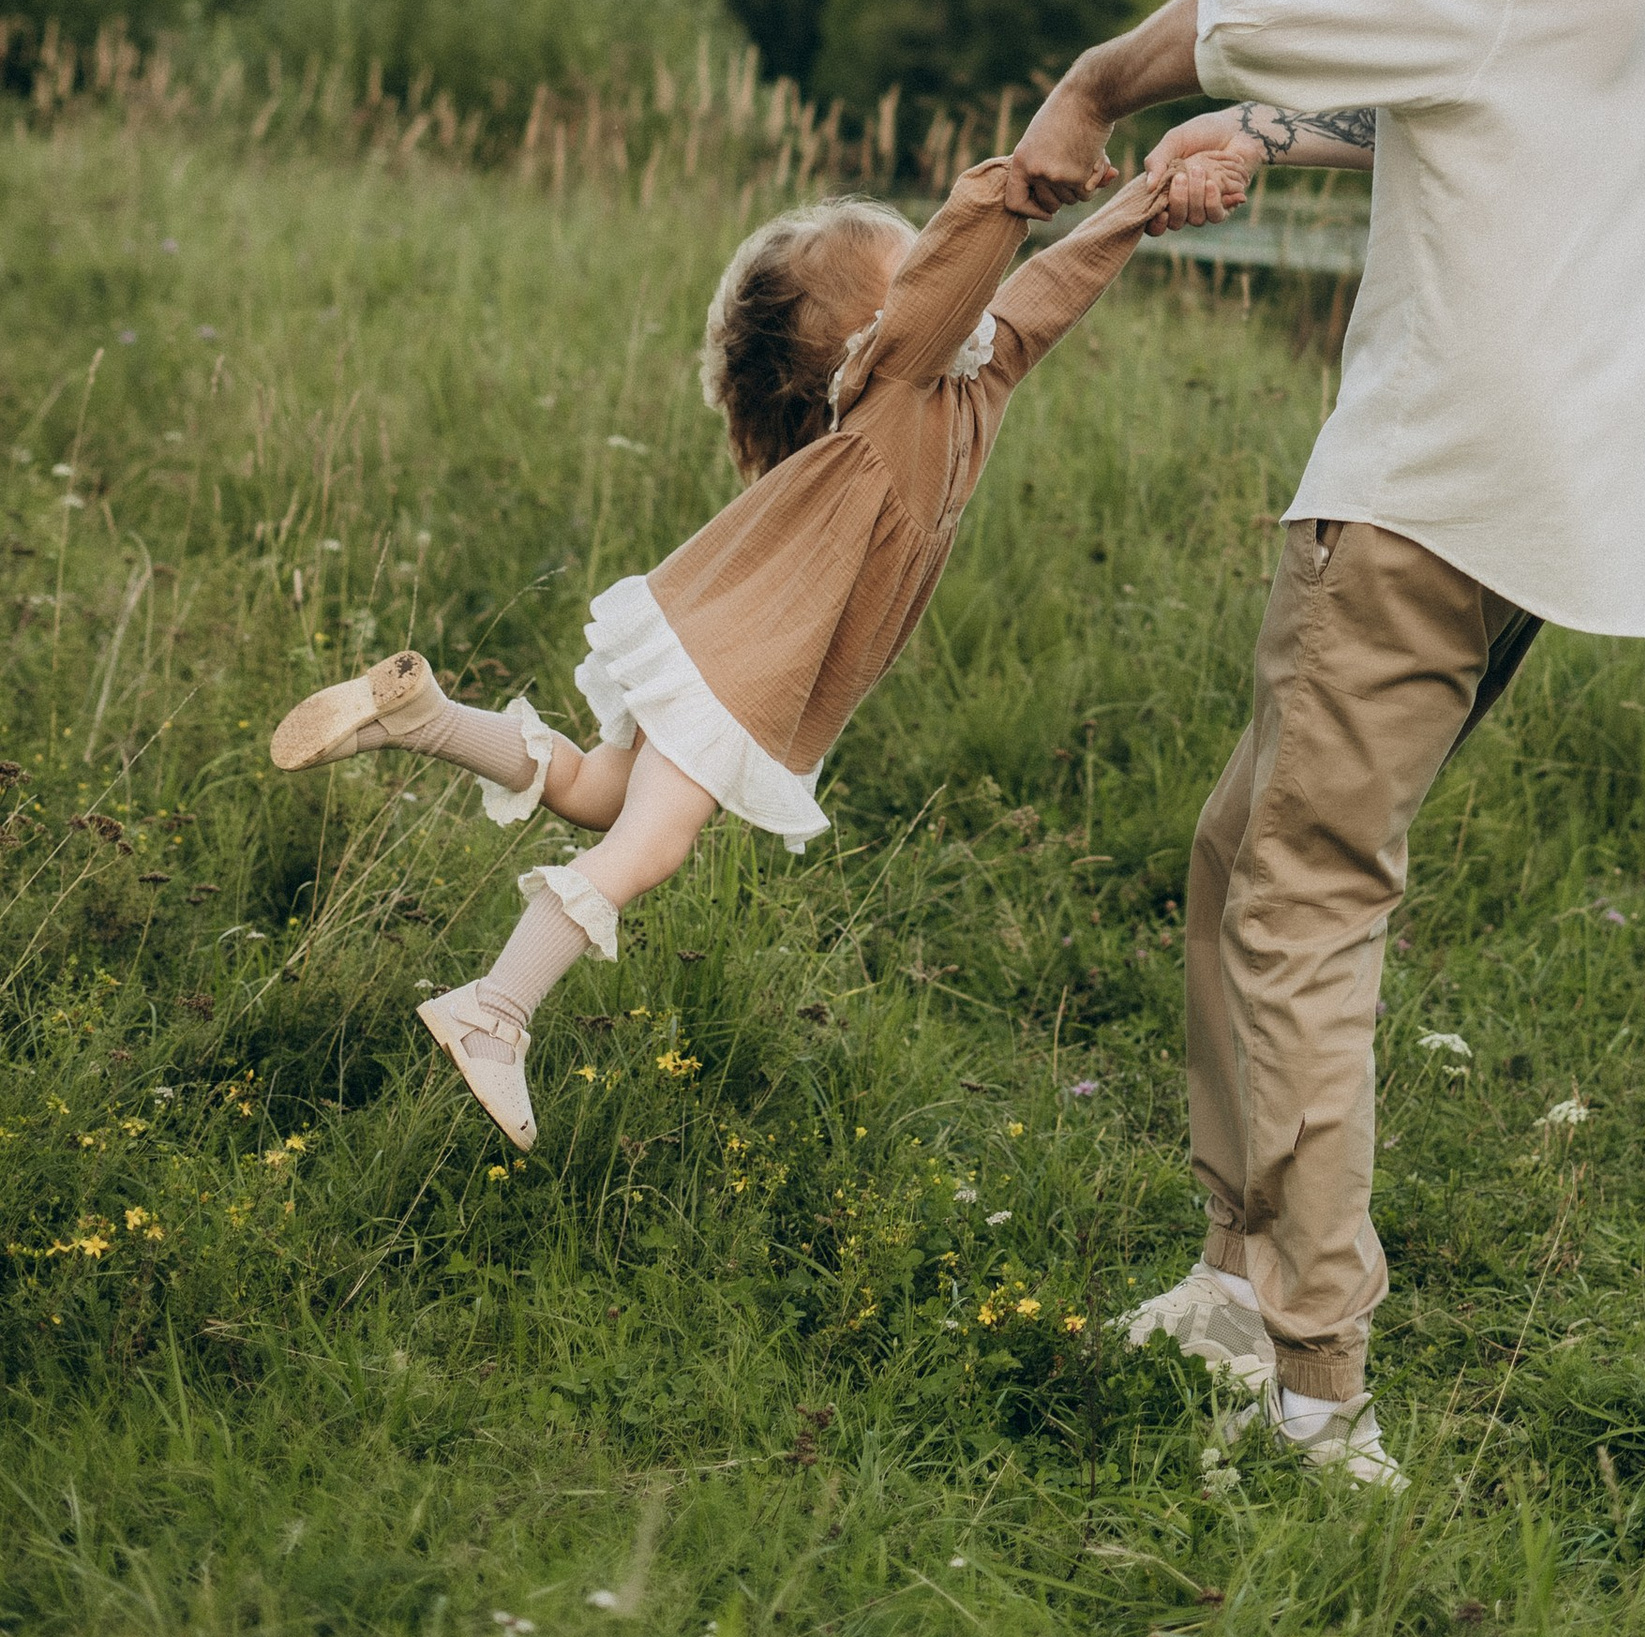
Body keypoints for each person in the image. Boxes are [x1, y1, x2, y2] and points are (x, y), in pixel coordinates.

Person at [1007, 0, 1645, 1488]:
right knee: (1242, 844)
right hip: (1550, 514)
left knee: (1302, 902)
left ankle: (1322, 1390)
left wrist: (1103, 89)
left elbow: (1262, 3)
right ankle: (1239, 1271)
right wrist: (1281, 137)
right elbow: (1486, 97)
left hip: (1422, 497)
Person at [268, 145, 1243, 1147]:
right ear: (876, 329)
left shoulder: (976, 381)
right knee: (647, 844)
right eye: (918, 281)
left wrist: (1140, 205)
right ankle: (494, 1011)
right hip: (743, 657)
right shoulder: (898, 379)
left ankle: (421, 717)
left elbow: (1045, 288)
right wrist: (1023, 181)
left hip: (726, 632)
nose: (961, 299)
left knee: (601, 795)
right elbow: (968, 264)